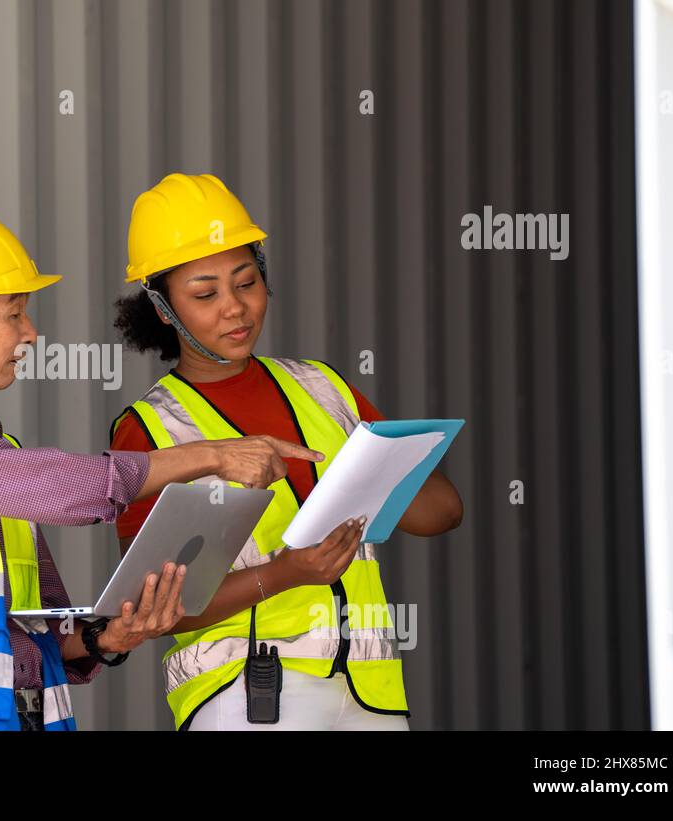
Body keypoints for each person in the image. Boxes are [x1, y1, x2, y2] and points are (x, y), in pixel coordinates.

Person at [0, 205, 322, 730]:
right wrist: (211, 455)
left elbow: (31, 633)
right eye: (13, 313)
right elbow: (61, 490)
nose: (30, 333)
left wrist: (105, 638)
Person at [110, 173, 465, 731]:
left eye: (246, 282)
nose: (235, 308)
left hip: (370, 690)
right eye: (205, 294)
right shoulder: (151, 429)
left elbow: (443, 513)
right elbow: (155, 611)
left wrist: (371, 478)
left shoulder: (323, 387)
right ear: (161, 307)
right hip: (248, 696)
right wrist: (284, 574)